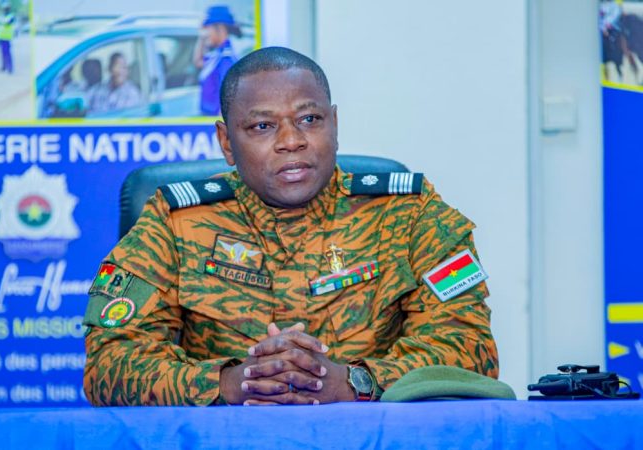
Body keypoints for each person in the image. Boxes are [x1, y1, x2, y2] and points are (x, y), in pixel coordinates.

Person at [83, 47, 499, 406]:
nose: (291, 140)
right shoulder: (175, 223)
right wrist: (231, 383)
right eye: (262, 126)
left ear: (334, 124)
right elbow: (109, 364)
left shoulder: (412, 214)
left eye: (310, 119)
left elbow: (470, 350)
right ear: (226, 142)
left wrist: (352, 382)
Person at [193, 5, 240, 116]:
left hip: (212, 121)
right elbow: (198, 62)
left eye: (207, 28)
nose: (205, 33)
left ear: (220, 28)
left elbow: (227, 100)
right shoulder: (218, 54)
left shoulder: (226, 59)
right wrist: (201, 38)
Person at [0, 3, 15, 74]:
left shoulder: (11, 16)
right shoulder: (1, 17)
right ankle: (4, 67)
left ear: (8, 9)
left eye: (6, 9)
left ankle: (10, 68)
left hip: (7, 38)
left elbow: (8, 23)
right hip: (1, 37)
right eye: (4, 9)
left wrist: (1, 22)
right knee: (2, 53)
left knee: (8, 54)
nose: (5, 10)